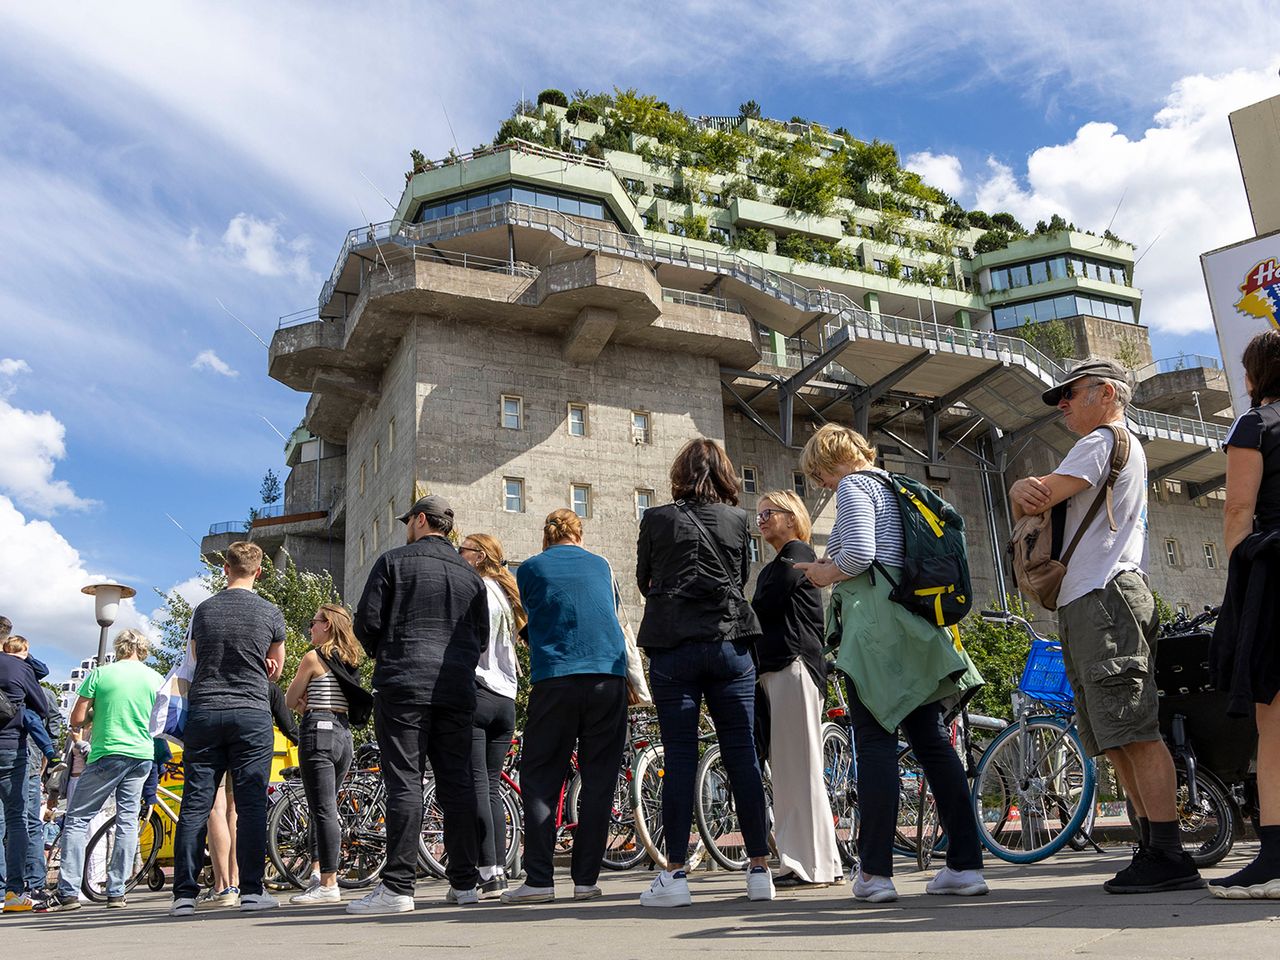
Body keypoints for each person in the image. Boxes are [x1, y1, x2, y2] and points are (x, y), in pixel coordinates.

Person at [1010, 358, 1202, 894]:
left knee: (1133, 729)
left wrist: (1024, 483)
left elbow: (1035, 497)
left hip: (1103, 596)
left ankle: (1167, 851)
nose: (1064, 404)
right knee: (1115, 736)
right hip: (1091, 598)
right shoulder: (1112, 443)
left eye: (1071, 394)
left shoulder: (1102, 440)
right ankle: (1153, 847)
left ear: (1107, 393)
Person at [797, 423, 986, 903]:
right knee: (932, 744)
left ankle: (876, 873)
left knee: (875, 743)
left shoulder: (857, 486)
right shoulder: (894, 486)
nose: (820, 483)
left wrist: (824, 572)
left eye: (818, 472)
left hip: (876, 632)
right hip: (913, 626)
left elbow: (860, 553)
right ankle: (965, 865)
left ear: (828, 461)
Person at [635, 438, 774, 907]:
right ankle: (758, 869)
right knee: (742, 754)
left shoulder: (655, 519)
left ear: (680, 472)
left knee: (678, 758)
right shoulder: (739, 520)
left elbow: (643, 580)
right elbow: (739, 578)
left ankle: (675, 875)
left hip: (674, 647)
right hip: (730, 645)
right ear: (726, 475)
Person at [350, 495, 488, 913]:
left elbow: (366, 623)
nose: (405, 526)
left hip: (405, 684)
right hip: (455, 689)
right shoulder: (471, 577)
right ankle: (465, 882)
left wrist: (389, 654)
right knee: (457, 783)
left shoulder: (395, 562)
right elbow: (480, 639)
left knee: (405, 782)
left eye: (408, 520)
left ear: (421, 520)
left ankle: (397, 888)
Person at [501, 511, 629, 905]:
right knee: (599, 778)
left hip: (555, 678)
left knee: (541, 777)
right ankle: (586, 879)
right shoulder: (602, 565)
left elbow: (543, 613)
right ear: (580, 533)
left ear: (546, 536)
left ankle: (539, 878)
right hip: (608, 676)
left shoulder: (531, 568)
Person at [170, 541, 287, 916]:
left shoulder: (203, 611)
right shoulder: (270, 612)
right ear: (259, 572)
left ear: (225, 569)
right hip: (251, 713)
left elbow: (195, 660)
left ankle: (184, 895)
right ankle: (251, 890)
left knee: (196, 802)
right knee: (251, 803)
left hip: (205, 712)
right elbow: (276, 669)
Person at [1209, 330, 1280, 898]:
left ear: (1255, 375)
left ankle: (1276, 856)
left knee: (1275, 719)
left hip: (1274, 577)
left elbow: (1238, 510)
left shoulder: (1256, 424)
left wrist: (1239, 586)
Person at [751, 490, 842, 887]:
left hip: (793, 667)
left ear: (792, 517)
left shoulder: (796, 554)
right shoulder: (783, 559)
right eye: (759, 515)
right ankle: (820, 861)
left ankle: (806, 865)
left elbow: (763, 609)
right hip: (783, 669)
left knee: (797, 770)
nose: (762, 520)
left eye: (768, 513)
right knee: (794, 770)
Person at [50, 628, 164, 911]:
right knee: (127, 820)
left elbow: (77, 719)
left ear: (119, 647)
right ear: (143, 649)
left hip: (107, 752)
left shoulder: (100, 674)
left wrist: (94, 712)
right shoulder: (155, 678)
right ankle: (116, 891)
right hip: (142, 755)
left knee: (77, 819)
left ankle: (68, 892)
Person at [284, 603, 366, 905]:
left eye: (314, 622)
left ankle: (329, 882)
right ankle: (318, 872)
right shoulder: (350, 660)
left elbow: (290, 698)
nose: (310, 627)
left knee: (322, 809)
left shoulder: (312, 658)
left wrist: (306, 703)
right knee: (327, 805)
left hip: (318, 731)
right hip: (344, 736)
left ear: (328, 625)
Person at [458, 533, 524, 899]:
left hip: (480, 691)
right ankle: (497, 868)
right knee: (493, 786)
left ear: (479, 556)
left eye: (463, 550)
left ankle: (486, 870)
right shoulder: (504, 592)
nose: (458, 554)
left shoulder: (477, 589)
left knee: (478, 786)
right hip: (507, 698)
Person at [0, 624, 51, 913]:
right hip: (10, 748)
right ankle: (14, 892)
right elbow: (42, 708)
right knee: (18, 820)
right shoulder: (18, 668)